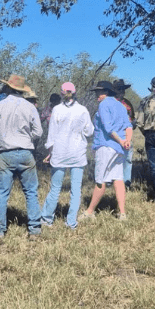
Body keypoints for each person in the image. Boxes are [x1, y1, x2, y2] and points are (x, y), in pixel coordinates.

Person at [0, 74, 44, 242]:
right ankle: (34, 229)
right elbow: (38, 132)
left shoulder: (0, 105)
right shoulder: (30, 106)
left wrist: (2, 137)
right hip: (26, 152)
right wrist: (28, 137)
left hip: (6, 153)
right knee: (31, 192)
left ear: (9, 88)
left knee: (2, 194)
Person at [40, 82, 94, 229]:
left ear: (62, 94)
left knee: (55, 188)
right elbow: (89, 132)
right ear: (75, 93)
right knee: (76, 190)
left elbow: (52, 134)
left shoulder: (56, 110)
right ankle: (71, 222)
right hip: (77, 154)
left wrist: (50, 152)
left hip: (59, 153)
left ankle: (46, 219)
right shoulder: (83, 110)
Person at [80, 81, 132, 220]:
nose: (97, 94)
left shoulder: (104, 104)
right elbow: (129, 126)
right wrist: (127, 140)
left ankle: (90, 212)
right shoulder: (121, 106)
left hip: (106, 146)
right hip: (119, 149)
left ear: (106, 92)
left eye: (99, 91)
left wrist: (121, 141)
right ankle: (122, 213)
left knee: (100, 180)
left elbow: (108, 129)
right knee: (118, 178)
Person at [113, 79, 136, 189]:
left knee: (127, 159)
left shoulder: (128, 103)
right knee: (113, 159)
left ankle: (126, 182)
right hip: (113, 136)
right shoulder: (110, 103)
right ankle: (112, 181)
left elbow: (133, 118)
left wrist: (132, 125)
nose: (121, 91)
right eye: (119, 89)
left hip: (127, 135)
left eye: (123, 89)